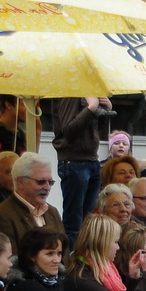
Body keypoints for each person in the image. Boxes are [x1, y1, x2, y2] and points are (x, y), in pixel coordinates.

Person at [51, 96, 113, 244]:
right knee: (74, 223)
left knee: (88, 223)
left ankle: (84, 259)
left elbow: (94, 127)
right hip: (73, 161)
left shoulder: (86, 90)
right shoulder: (70, 91)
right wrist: (90, 108)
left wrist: (106, 111)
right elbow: (68, 129)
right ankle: (73, 261)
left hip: (91, 160)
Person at [0, 153, 58, 253]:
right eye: (41, 181)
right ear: (20, 182)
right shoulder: (0, 217)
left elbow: (64, 257)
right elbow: (8, 263)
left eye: (50, 182)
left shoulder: (52, 212)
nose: (47, 187)